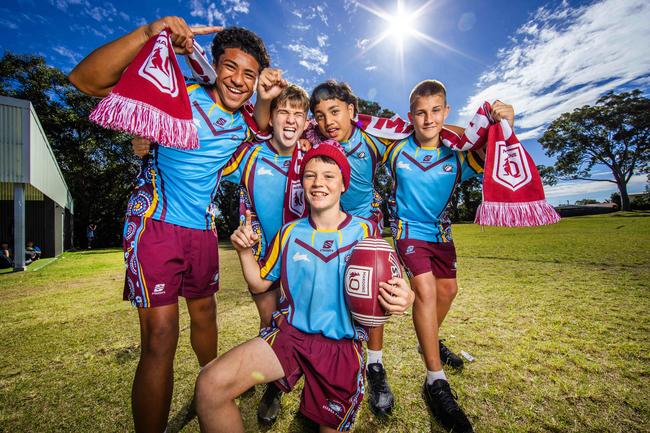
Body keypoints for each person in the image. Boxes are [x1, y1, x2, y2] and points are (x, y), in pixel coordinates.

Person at [68, 16, 283, 433]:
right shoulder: (174, 94)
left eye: (249, 74)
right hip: (154, 224)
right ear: (214, 65)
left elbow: (261, 123)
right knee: (161, 338)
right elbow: (86, 80)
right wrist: (149, 34)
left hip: (201, 231)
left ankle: (214, 385)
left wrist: (267, 97)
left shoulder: (244, 125)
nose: (238, 80)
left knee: (205, 316)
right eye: (230, 67)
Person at [195, 141, 415, 433]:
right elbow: (260, 282)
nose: (318, 182)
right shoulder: (289, 232)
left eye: (328, 175)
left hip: (340, 350)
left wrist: (407, 296)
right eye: (310, 175)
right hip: (291, 336)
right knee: (210, 385)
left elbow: (397, 282)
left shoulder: (365, 231)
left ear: (343, 184)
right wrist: (244, 251)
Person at [306, 79, 467, 416]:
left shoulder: (376, 139)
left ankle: (375, 367)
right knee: (329, 301)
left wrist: (466, 128)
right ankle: (323, 379)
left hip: (365, 228)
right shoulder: (312, 141)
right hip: (328, 228)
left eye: (335, 111)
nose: (328, 121)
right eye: (320, 115)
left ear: (352, 111)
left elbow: (425, 131)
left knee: (375, 293)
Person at [383, 79, 514, 432]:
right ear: (410, 116)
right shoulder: (394, 150)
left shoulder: (458, 157)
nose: (428, 119)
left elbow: (491, 148)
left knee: (447, 292)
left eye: (436, 111)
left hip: (442, 235)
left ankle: (430, 340)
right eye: (421, 113)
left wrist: (506, 121)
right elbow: (358, 137)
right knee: (424, 291)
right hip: (408, 233)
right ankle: (434, 381)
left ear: (446, 111)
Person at [221, 83, 310, 423]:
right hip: (260, 251)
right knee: (269, 319)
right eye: (283, 112)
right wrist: (148, 146)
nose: (290, 120)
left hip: (301, 253)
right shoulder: (248, 154)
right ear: (270, 118)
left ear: (305, 124)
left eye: (298, 115)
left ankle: (290, 381)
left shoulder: (311, 157)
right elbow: (205, 156)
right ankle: (269, 380)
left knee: (299, 321)